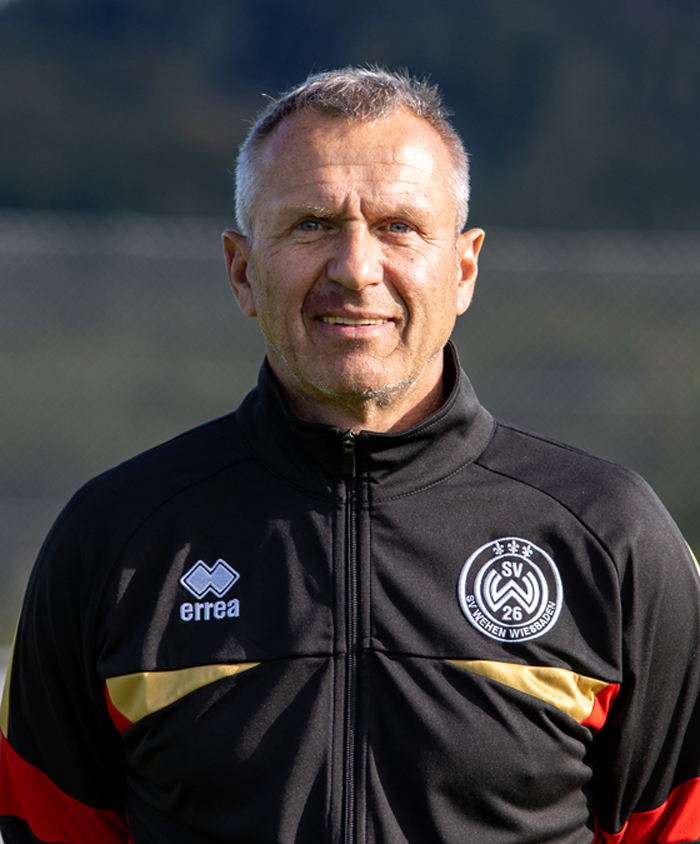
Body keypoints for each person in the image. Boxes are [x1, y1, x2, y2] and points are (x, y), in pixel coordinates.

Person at [1, 67, 699, 844]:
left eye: (399, 226)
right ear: (242, 271)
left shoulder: (610, 535)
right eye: (311, 225)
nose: (356, 268)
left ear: (463, 269)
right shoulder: (114, 539)